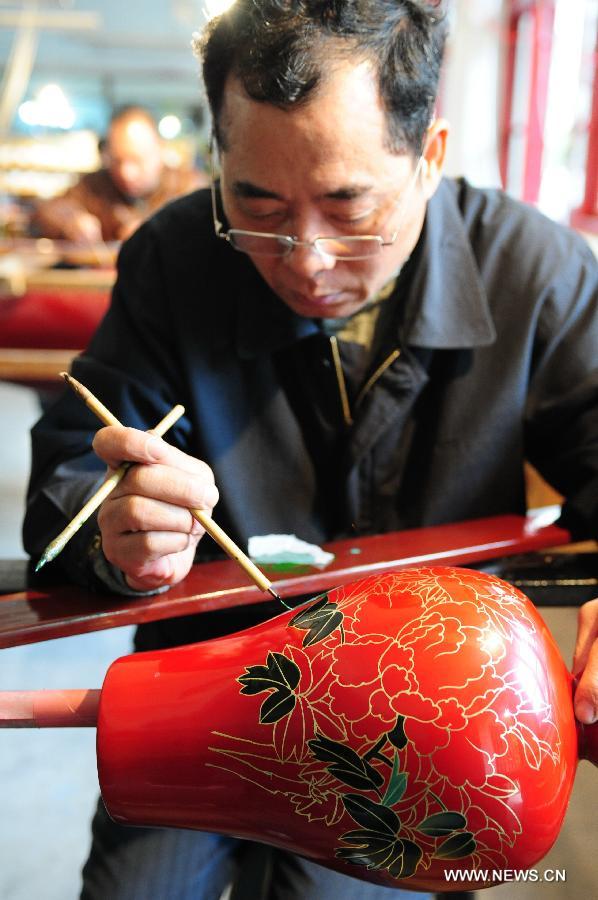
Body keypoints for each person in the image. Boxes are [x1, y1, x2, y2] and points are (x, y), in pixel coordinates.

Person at [22, 0, 598, 897]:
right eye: (256, 202)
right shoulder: (176, 259)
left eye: (347, 205)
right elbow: (68, 469)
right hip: (200, 674)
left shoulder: (541, 277)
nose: (306, 258)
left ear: (431, 156)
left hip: (417, 722)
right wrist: (111, 527)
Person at [32, 105, 206, 244]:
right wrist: (71, 222)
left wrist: (154, 231)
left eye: (137, 160)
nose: (126, 173)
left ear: (159, 149)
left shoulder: (187, 186)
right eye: (117, 161)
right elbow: (47, 209)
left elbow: (206, 231)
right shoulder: (94, 186)